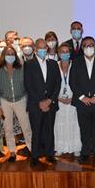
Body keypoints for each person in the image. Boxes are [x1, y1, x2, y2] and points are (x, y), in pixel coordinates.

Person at [70, 37, 95, 163]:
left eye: (91, 45)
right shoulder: (76, 62)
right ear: (82, 48)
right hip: (82, 103)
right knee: (84, 128)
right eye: (86, 45)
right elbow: (73, 82)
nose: (89, 47)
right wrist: (82, 97)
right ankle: (85, 151)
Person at [24, 38, 61, 166]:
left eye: (44, 48)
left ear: (47, 49)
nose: (42, 50)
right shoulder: (28, 64)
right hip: (36, 105)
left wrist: (49, 100)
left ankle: (50, 154)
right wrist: (40, 102)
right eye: (40, 48)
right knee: (36, 131)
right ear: (35, 49)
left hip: (50, 104)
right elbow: (28, 85)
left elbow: (57, 84)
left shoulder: (53, 63)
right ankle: (35, 155)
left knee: (49, 130)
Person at [0, 46, 32, 162]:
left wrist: (29, 102)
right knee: (8, 128)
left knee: (26, 126)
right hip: (5, 101)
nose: (10, 56)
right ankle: (11, 151)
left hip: (21, 100)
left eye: (12, 54)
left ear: (15, 56)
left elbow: (28, 86)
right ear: (4, 56)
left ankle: (31, 149)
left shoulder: (22, 69)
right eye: (7, 54)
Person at [54, 43, 82, 156]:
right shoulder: (54, 66)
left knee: (75, 122)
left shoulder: (75, 65)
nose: (65, 54)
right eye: (62, 51)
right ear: (58, 53)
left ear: (70, 53)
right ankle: (60, 147)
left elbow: (80, 83)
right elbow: (50, 84)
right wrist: (58, 98)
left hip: (73, 99)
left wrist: (74, 97)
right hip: (59, 99)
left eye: (67, 51)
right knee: (59, 123)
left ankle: (76, 147)